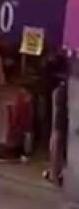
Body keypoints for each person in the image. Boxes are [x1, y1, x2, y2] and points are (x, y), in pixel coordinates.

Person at [46, 58, 68, 186]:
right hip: (60, 125)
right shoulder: (62, 92)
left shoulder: (58, 92)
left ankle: (53, 173)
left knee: (55, 149)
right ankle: (54, 174)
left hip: (57, 125)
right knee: (56, 150)